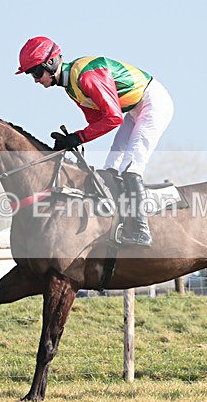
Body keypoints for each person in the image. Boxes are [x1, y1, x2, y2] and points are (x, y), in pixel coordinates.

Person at [16, 36, 174, 247]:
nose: (35, 79)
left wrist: (79, 137)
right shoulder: (71, 87)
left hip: (153, 103)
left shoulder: (84, 77)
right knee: (111, 168)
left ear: (51, 63)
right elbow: (97, 121)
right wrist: (72, 139)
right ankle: (117, 222)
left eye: (36, 72)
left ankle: (141, 230)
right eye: (31, 74)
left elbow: (113, 118)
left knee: (130, 168)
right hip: (134, 109)